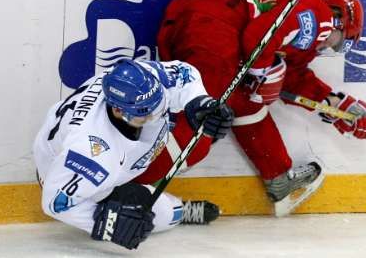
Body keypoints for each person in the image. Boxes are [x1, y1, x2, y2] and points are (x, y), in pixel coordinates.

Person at [135, 0, 366, 217]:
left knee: (245, 104)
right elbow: (258, 38)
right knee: (204, 122)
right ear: (338, 22)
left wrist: (341, 107)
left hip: (203, 22)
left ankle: (279, 177)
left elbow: (294, 76)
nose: (331, 48)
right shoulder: (320, 17)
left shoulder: (303, 19)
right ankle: (131, 188)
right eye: (341, 43)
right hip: (214, 25)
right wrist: (266, 72)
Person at [33, 58, 234, 250]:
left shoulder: (142, 81)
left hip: (117, 154)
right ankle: (181, 211)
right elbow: (54, 203)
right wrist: (109, 224)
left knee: (188, 146)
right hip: (68, 173)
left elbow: (184, 73)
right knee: (160, 215)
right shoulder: (91, 152)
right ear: (118, 110)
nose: (155, 115)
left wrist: (199, 100)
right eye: (146, 112)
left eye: (158, 105)